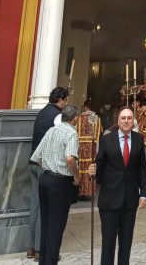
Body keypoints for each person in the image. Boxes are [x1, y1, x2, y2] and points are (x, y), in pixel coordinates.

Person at [88, 106, 146, 265]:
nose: (126, 121)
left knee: (126, 242)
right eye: (123, 118)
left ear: (133, 121)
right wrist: (93, 171)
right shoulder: (107, 139)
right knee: (108, 242)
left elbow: (142, 168)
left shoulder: (138, 139)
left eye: (129, 118)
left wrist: (144, 193)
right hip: (109, 200)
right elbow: (99, 164)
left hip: (130, 200)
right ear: (118, 120)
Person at [30, 104, 80, 265]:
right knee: (57, 226)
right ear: (75, 119)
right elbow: (70, 158)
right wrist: (76, 176)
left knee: (46, 222)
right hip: (60, 182)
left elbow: (36, 156)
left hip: (45, 179)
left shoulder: (51, 130)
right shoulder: (71, 133)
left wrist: (48, 166)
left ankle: (43, 260)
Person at [27, 86, 69, 260]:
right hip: (46, 166)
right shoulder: (58, 116)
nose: (66, 103)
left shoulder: (42, 112)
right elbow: (61, 138)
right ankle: (40, 249)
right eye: (66, 100)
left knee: (35, 205)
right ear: (61, 100)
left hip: (33, 161)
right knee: (48, 209)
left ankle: (31, 247)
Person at [76, 100, 101, 198]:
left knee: (81, 167)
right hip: (91, 146)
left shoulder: (79, 118)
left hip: (81, 146)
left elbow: (76, 132)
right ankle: (88, 192)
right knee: (90, 167)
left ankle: (80, 191)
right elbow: (98, 134)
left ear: (85, 107)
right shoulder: (96, 118)